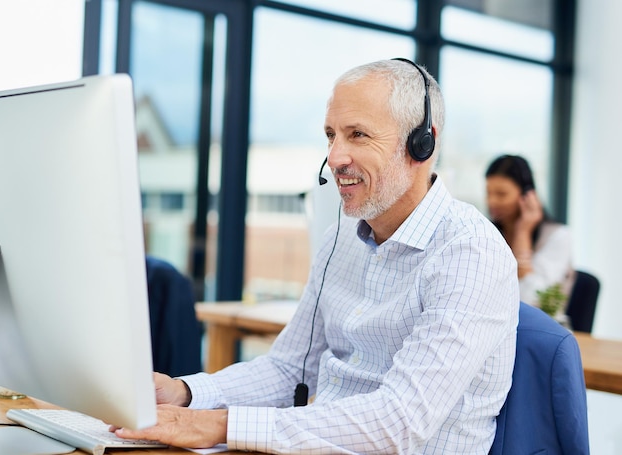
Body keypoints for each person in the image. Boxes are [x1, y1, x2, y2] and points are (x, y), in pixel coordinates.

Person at [115, 59, 519, 453]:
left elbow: (399, 421)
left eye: (357, 135)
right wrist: (185, 393)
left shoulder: (470, 253)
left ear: (421, 143)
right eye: (331, 135)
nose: (336, 157)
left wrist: (219, 425)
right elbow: (289, 369)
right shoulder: (340, 238)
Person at [485, 154, 574, 310]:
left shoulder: (557, 236)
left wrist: (522, 233)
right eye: (488, 193)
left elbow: (530, 299)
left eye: (501, 194)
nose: (492, 201)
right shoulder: (488, 233)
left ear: (526, 194)